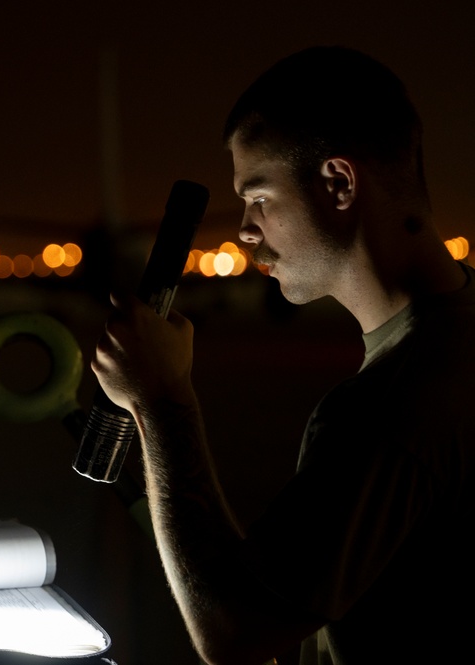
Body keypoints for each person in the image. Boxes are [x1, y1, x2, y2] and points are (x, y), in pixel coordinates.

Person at [91, 46, 473, 664]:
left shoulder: (394, 403)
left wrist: (161, 401)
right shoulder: (454, 343)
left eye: (259, 197)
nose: (244, 230)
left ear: (339, 184)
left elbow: (235, 631)